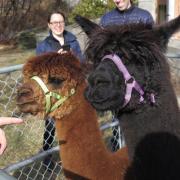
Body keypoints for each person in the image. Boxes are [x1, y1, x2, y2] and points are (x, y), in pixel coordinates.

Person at [100, 0, 154, 152]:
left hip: (140, 79)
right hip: (117, 80)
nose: (117, 0)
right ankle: (118, 151)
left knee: (142, 116)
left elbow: (153, 47)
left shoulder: (144, 17)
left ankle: (144, 148)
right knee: (117, 119)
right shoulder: (106, 19)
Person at [36, 11, 84, 168]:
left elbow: (81, 62)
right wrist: (54, 60)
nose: (58, 25)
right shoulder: (43, 45)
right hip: (53, 91)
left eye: (61, 22)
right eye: (54, 22)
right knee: (50, 126)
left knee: (73, 123)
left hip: (71, 89)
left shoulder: (73, 40)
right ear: (49, 25)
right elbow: (38, 70)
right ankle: (47, 157)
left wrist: (71, 58)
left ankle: (74, 154)